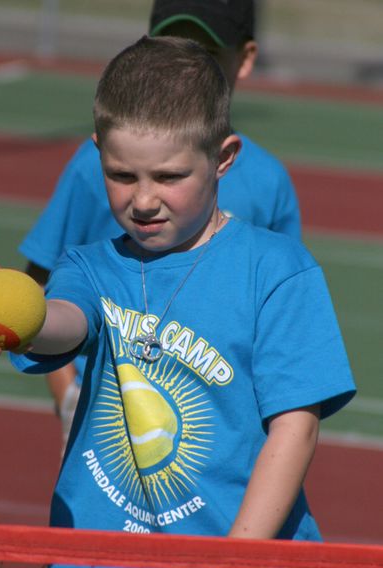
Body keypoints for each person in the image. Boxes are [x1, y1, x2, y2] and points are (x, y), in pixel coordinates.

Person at [0, 36, 355, 568]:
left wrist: (235, 566)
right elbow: (69, 322)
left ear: (224, 158)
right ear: (98, 155)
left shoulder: (278, 271)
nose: (143, 200)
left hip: (244, 565)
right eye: (121, 175)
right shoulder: (90, 266)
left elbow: (296, 427)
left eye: (168, 177)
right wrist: (29, 320)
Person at [21, 0, 302, 450]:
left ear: (245, 58)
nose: (188, 62)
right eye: (175, 44)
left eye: (208, 50)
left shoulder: (269, 183)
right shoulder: (94, 165)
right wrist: (67, 396)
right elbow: (47, 289)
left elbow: (280, 322)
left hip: (218, 442)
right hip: (109, 433)